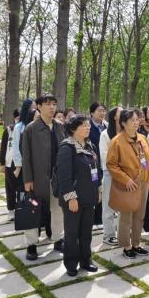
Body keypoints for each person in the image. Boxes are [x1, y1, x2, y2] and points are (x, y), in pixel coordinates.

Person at [21, 93, 65, 260]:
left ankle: (58, 239)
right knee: (33, 210)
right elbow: (26, 157)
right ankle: (31, 244)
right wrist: (27, 180)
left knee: (58, 210)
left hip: (57, 178)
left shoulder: (60, 126)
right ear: (39, 107)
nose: (52, 107)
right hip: (38, 178)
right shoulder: (31, 128)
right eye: (48, 104)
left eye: (54, 104)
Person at [56, 115, 101, 277]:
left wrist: (98, 190)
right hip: (74, 199)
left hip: (89, 197)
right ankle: (71, 264)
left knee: (86, 233)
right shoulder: (67, 148)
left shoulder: (90, 146)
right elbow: (63, 176)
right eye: (84, 125)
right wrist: (71, 197)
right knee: (72, 233)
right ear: (73, 129)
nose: (88, 128)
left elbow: (96, 170)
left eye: (88, 125)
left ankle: (86, 261)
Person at [106, 108, 149, 258]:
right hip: (128, 184)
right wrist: (125, 179)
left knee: (140, 215)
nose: (136, 122)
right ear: (123, 123)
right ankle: (126, 246)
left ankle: (136, 244)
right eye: (132, 120)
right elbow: (111, 165)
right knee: (126, 217)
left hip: (143, 183)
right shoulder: (116, 141)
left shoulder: (142, 138)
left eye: (137, 119)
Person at [99, 106, 122, 246]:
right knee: (108, 205)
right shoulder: (105, 134)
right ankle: (108, 235)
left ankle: (122, 232)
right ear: (114, 116)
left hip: (125, 174)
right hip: (110, 173)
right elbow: (105, 156)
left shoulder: (126, 132)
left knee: (123, 204)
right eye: (120, 112)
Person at [89, 102, 107, 227]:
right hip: (92, 163)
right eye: (99, 110)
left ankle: (100, 218)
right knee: (94, 187)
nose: (102, 113)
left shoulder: (107, 126)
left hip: (105, 163)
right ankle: (93, 218)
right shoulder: (87, 126)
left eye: (103, 111)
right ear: (92, 113)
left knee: (103, 189)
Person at [0, 109, 20, 220]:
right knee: (10, 188)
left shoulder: (26, 128)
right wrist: (2, 162)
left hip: (22, 163)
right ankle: (11, 209)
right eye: (18, 118)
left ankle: (21, 209)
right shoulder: (9, 130)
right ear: (15, 118)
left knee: (21, 189)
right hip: (10, 162)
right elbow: (3, 147)